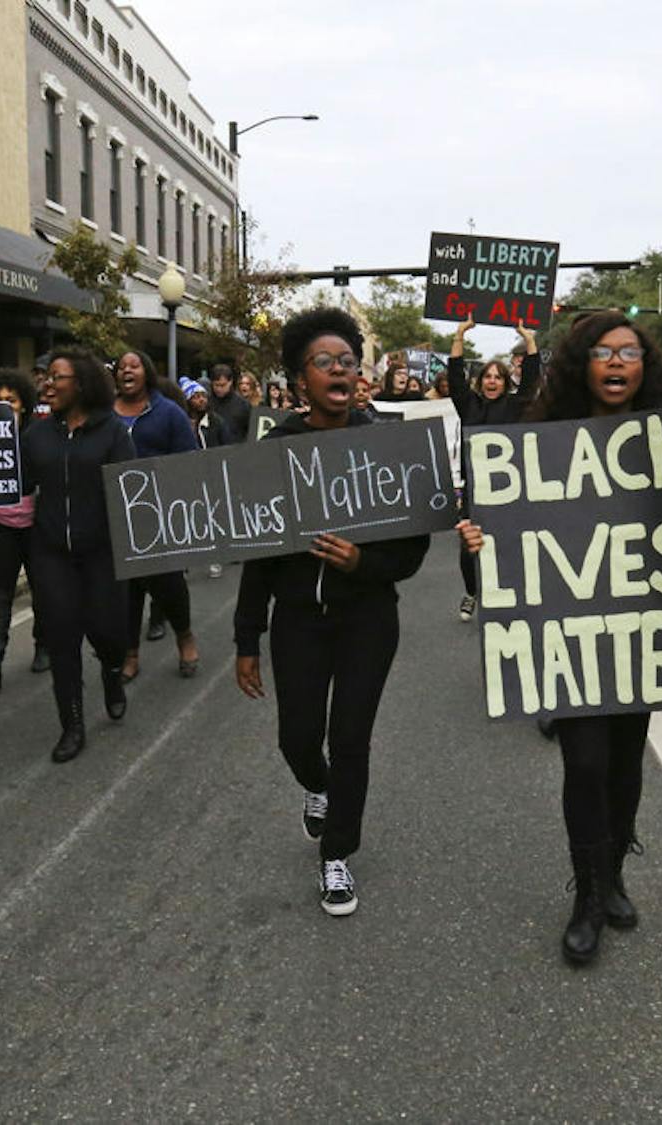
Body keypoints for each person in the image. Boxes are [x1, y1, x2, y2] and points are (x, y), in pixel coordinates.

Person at [459, 311, 662, 965]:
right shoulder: (537, 440)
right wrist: (478, 544)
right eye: (603, 351)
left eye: (629, 351)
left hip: (638, 626)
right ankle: (587, 896)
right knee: (586, 763)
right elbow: (503, 555)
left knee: (626, 764)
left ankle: (613, 875)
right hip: (568, 633)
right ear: (582, 364)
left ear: (645, 365)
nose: (617, 362)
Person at [234, 307, 431, 917]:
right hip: (298, 623)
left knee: (351, 740)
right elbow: (255, 552)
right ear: (301, 380)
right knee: (299, 739)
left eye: (348, 361)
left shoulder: (386, 445)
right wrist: (247, 638)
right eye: (325, 362)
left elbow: (412, 548)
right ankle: (316, 787)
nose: (340, 369)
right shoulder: (276, 450)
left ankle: (337, 854)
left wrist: (360, 563)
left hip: (368, 620)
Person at [23, 348, 136, 762]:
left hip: (101, 553)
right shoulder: (35, 435)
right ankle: (71, 724)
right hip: (51, 553)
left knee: (108, 631)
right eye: (46, 377)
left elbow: (131, 489)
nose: (48, 384)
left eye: (58, 377)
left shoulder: (112, 433)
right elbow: (15, 482)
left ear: (82, 383)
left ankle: (111, 670)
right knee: (61, 636)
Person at [113, 349, 200, 680]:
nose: (127, 371)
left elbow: (188, 460)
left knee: (169, 584)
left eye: (134, 365)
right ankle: (130, 653)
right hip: (120, 517)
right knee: (128, 591)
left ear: (146, 371)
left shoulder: (169, 413)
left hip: (161, 516)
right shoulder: (106, 414)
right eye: (121, 367)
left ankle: (185, 637)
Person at [447, 316, 540, 621]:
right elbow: (455, 376)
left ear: (504, 382)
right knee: (468, 547)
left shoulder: (515, 406)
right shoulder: (469, 405)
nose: (491, 381)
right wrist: (460, 334)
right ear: (480, 381)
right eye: (486, 376)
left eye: (497, 377)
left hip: (509, 488)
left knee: (510, 543)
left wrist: (528, 340)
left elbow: (530, 379)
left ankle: (510, 594)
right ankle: (472, 592)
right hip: (476, 489)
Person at [0, 368, 47, 690]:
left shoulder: (38, 435)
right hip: (0, 526)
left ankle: (43, 645)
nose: (6, 405)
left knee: (43, 590)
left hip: (37, 526)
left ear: (24, 403)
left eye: (12, 400)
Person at [181, 377, 230, 448]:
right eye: (197, 397)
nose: (202, 400)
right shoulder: (181, 422)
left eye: (204, 396)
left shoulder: (216, 422)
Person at [209, 362, 250, 443]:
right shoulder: (207, 404)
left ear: (230, 382)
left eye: (223, 385)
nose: (219, 389)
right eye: (216, 385)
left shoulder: (243, 405)